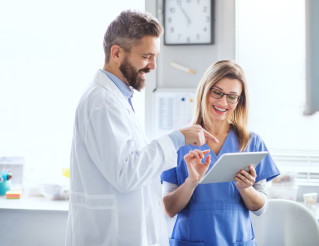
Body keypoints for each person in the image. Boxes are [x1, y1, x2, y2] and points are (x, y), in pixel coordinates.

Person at [65, 10, 218, 246]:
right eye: (146, 56)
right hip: (109, 237)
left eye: (155, 56)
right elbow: (126, 174)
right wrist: (178, 138)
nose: (153, 66)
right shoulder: (101, 103)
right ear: (116, 53)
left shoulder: (117, 99)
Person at [161, 60, 280, 245]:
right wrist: (191, 182)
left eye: (232, 96)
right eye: (217, 92)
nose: (223, 102)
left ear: (239, 101)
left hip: (237, 239)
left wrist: (245, 188)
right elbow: (168, 209)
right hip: (190, 239)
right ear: (204, 91)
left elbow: (260, 208)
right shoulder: (179, 142)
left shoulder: (252, 142)